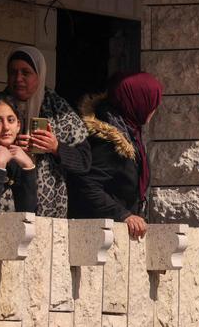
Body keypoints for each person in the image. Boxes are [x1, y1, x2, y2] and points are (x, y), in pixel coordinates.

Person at [0, 46, 91, 217]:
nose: (18, 78)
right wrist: (8, 146)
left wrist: (56, 147)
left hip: (48, 208)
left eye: (25, 73)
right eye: (13, 72)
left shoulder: (58, 109)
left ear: (39, 75)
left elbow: (85, 162)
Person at [68, 73, 162, 238]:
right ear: (137, 100)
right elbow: (86, 184)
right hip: (97, 235)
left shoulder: (131, 133)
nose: (154, 108)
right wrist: (123, 215)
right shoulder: (109, 139)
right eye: (151, 101)